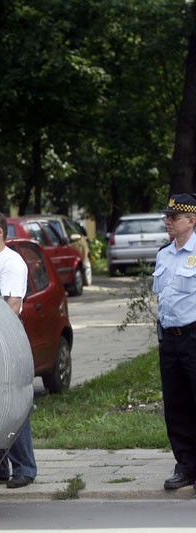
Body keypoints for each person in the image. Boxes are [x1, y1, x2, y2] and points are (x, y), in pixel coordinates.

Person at [0, 210, 36, 489]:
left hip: (5, 335)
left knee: (13, 404)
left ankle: (25, 466)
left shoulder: (11, 262)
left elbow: (12, 306)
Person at [152, 193, 196, 491]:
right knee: (176, 405)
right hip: (170, 339)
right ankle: (186, 466)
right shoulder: (164, 254)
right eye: (167, 217)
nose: (168, 221)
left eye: (174, 217)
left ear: (191, 220)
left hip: (194, 336)